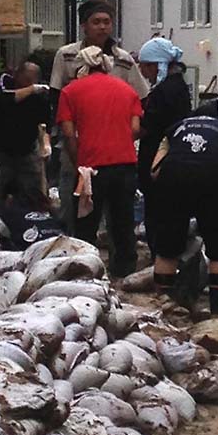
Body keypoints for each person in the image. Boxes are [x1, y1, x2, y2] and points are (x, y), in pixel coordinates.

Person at [50, 0, 149, 231]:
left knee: (118, 216)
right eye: (96, 22)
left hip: (115, 151)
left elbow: (141, 99)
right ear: (84, 25)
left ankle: (117, 263)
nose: (102, 27)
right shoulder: (66, 56)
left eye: (107, 22)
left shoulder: (123, 60)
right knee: (73, 207)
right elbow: (56, 97)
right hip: (76, 145)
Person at [56, 46, 143, 278]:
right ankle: (124, 270)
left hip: (90, 167)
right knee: (123, 220)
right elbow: (135, 128)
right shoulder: (126, 90)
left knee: (85, 222)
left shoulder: (70, 92)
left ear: (80, 67)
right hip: (124, 164)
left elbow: (68, 133)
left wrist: (77, 162)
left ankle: (86, 271)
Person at [150, 115, 218, 318]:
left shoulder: (174, 130)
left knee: (167, 250)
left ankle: (163, 308)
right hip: (215, 178)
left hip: (175, 177)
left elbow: (154, 171)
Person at [137, 38, 192, 258]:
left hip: (158, 156)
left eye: (144, 66)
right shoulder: (179, 86)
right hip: (177, 154)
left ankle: (160, 255)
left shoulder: (164, 92)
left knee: (157, 209)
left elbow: (148, 126)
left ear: (155, 65)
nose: (142, 71)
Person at [0, 61, 51, 201]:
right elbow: (5, 98)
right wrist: (31, 89)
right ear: (17, 75)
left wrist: (46, 144)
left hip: (27, 150)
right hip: (2, 150)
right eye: (26, 79)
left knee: (32, 191)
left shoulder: (40, 95)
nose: (28, 83)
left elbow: (44, 123)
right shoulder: (4, 81)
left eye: (32, 80)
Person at [0, 184, 64, 250]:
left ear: (9, 198)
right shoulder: (52, 214)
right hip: (63, 246)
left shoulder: (9, 213)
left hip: (36, 252)